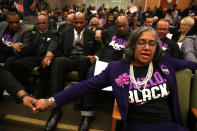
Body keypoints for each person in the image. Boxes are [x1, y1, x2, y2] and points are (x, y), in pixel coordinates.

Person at [35, 26, 197, 131]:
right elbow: (83, 86)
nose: (147, 47)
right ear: (133, 46)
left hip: (168, 125)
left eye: (152, 43)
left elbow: (190, 64)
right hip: (137, 126)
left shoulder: (165, 62)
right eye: (142, 42)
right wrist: (50, 102)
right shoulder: (116, 69)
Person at [44, 12, 99, 131]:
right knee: (58, 62)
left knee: (85, 60)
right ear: (72, 22)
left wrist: (96, 57)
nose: (79, 25)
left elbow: (98, 49)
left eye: (81, 22)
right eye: (76, 22)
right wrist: (50, 53)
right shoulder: (65, 32)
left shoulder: (91, 34)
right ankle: (56, 106)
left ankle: (81, 97)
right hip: (69, 58)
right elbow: (56, 43)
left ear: (85, 22)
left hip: (83, 60)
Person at [78, 15, 131, 131]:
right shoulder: (110, 31)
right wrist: (98, 31)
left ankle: (122, 118)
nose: (121, 28)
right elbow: (100, 30)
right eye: (119, 26)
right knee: (90, 73)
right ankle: (87, 114)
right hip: (103, 64)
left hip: (120, 67)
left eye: (124, 26)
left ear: (128, 24)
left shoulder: (133, 37)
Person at [14, 15, 59, 97]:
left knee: (45, 66)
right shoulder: (35, 34)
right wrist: (21, 49)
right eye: (39, 23)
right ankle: (27, 89)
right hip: (36, 57)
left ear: (47, 24)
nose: (41, 25)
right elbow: (30, 48)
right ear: (37, 24)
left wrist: (49, 54)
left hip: (48, 57)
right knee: (18, 64)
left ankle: (42, 91)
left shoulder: (54, 33)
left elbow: (53, 44)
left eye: (43, 23)